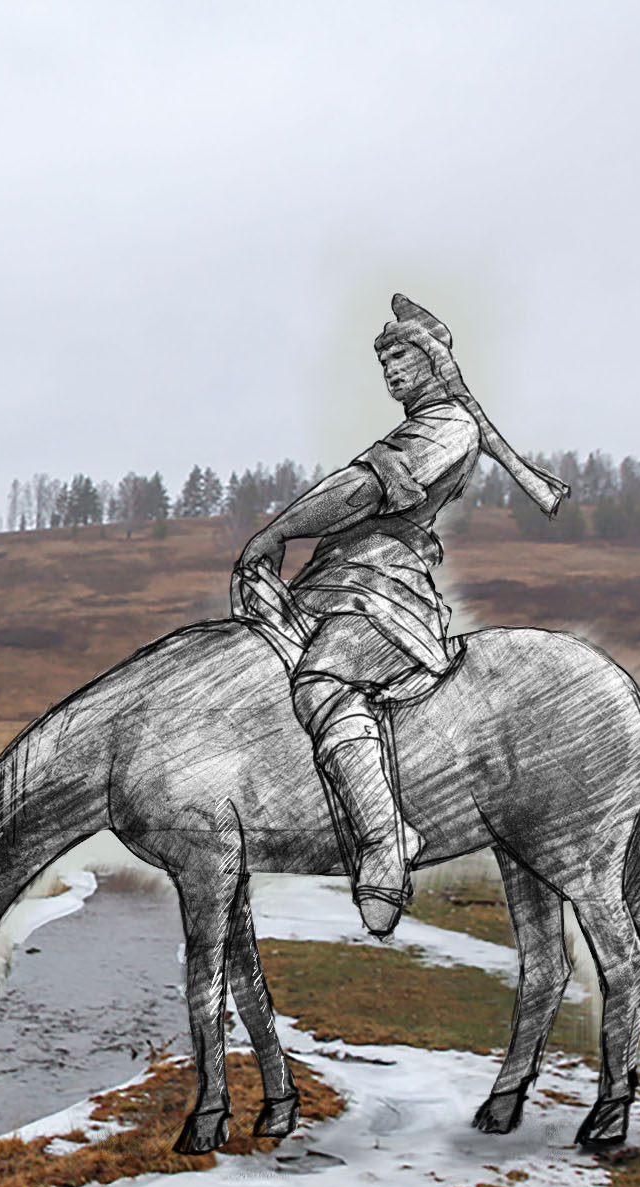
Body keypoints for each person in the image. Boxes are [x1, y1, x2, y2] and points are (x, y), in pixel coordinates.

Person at [231, 295, 567, 936]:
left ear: (435, 361)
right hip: (337, 578)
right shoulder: (421, 424)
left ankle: (386, 844)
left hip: (385, 586)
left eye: (403, 357)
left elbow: (365, 489)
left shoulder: (446, 428)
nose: (391, 372)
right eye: (384, 362)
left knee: (323, 681)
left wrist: (280, 530)